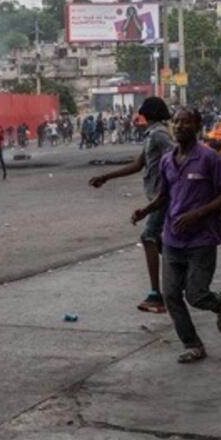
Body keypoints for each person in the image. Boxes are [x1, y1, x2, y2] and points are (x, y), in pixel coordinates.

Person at [131, 109, 221, 364]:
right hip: (172, 239)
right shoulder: (168, 160)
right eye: (175, 122)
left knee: (196, 295)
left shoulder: (209, 158)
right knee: (171, 295)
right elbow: (164, 196)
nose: (178, 126)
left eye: (185, 122)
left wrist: (197, 214)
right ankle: (193, 344)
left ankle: (220, 303)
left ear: (197, 125)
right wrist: (145, 210)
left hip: (201, 239)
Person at [90, 97, 175, 314]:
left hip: (162, 197)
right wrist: (106, 176)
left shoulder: (159, 134)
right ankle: (179, 278)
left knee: (148, 238)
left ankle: (157, 295)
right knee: (161, 242)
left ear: (148, 113)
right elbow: (139, 164)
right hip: (157, 196)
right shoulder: (152, 135)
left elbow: (175, 159)